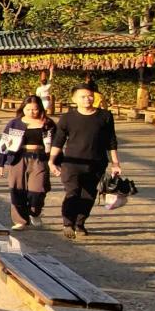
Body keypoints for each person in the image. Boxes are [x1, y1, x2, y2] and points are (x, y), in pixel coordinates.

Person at [48, 82, 120, 238]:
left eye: (90, 96)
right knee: (72, 192)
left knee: (89, 195)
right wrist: (51, 160)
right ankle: (68, 223)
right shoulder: (67, 118)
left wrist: (115, 163)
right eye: (83, 96)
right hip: (72, 163)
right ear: (74, 99)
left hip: (96, 162)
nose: (87, 99)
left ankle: (80, 223)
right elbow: (58, 141)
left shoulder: (105, 116)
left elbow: (111, 141)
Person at [0, 96, 54, 227]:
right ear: (23, 108)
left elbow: (56, 145)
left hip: (39, 158)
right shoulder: (14, 123)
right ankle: (20, 220)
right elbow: (3, 143)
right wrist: (0, 163)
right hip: (18, 158)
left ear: (40, 109)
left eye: (35, 109)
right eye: (28, 109)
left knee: (38, 189)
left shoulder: (48, 123)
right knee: (17, 188)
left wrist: (56, 162)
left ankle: (35, 212)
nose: (31, 112)